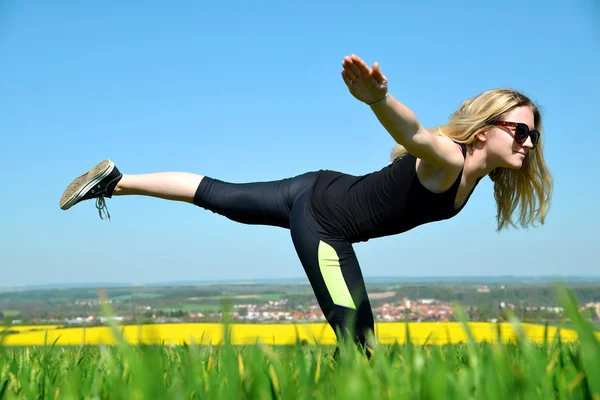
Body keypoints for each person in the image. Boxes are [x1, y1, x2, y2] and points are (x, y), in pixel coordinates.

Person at [59, 54, 552, 357]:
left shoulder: (474, 176)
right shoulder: (450, 159)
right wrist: (379, 99)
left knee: (218, 195)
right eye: (521, 131)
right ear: (485, 129)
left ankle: (116, 182)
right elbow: (417, 134)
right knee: (360, 340)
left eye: (535, 135)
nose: (529, 143)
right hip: (324, 222)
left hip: (315, 187)